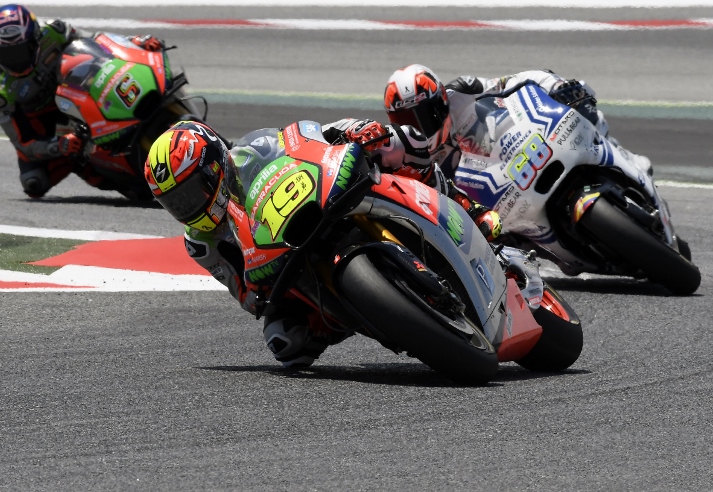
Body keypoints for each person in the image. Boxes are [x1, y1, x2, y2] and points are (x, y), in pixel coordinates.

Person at [144, 120, 541, 369]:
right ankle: (388, 317)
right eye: (175, 203)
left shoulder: (254, 151)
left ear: (216, 164)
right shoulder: (202, 244)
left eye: (190, 191)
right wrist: (257, 291)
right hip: (285, 263)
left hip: (320, 201)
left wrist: (352, 133)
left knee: (396, 145)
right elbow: (244, 296)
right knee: (285, 344)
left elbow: (306, 138)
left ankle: (470, 212)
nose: (188, 206)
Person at [0, 4, 166, 198]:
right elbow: (24, 144)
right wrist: (58, 145)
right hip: (43, 124)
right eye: (7, 53)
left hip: (76, 93)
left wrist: (134, 42)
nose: (15, 61)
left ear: (35, 39)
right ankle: (120, 179)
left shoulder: (54, 31)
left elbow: (98, 41)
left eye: (20, 50)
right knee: (34, 181)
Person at [382, 65, 652, 178]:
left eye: (420, 115)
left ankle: (624, 157)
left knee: (589, 115)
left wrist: (557, 86)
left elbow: (514, 82)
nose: (416, 125)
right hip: (494, 196)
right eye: (404, 119)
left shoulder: (462, 91)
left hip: (517, 146)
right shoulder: (413, 155)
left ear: (440, 100)